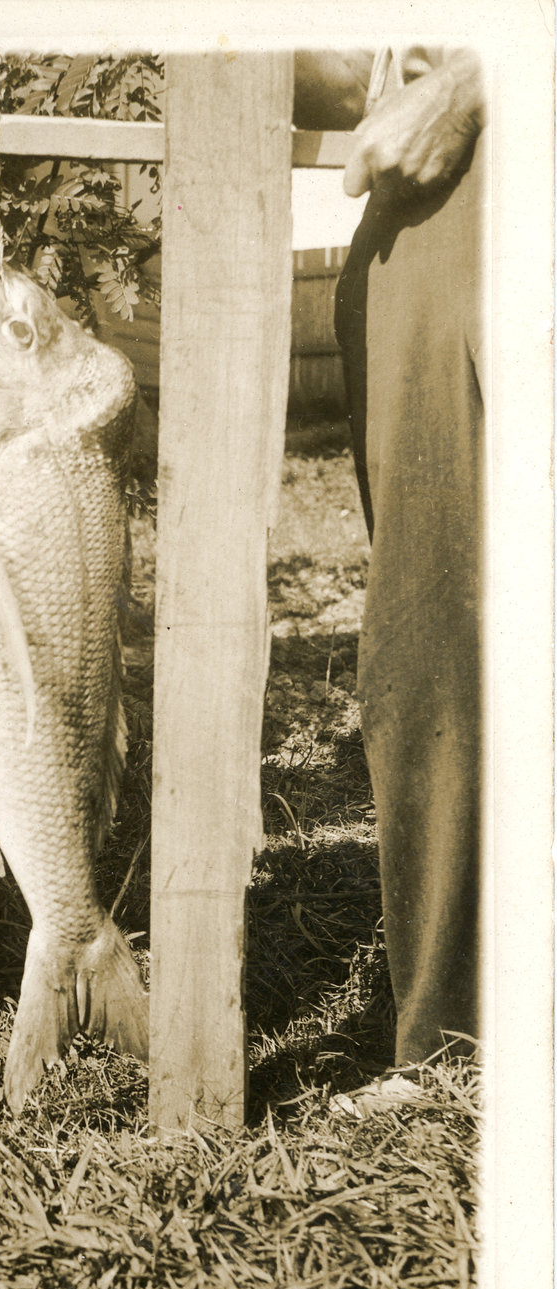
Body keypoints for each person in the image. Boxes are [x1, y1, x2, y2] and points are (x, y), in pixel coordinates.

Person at [294, 48, 485, 1107]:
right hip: (416, 208)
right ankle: (460, 1031)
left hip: (494, 174)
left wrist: (475, 84)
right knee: (429, 635)